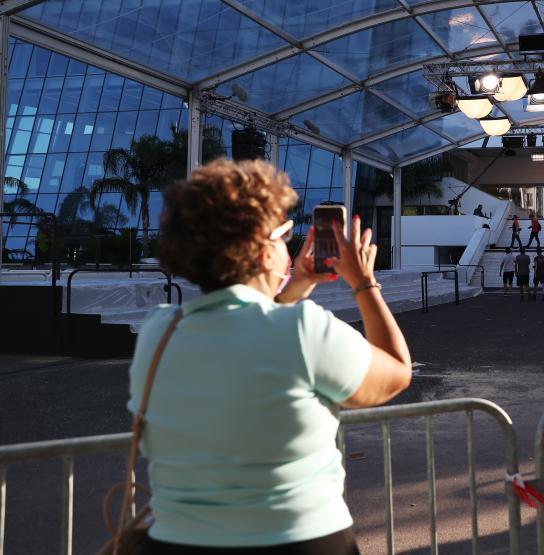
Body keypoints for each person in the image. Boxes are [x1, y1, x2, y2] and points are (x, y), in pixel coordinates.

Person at [129, 159, 411, 553]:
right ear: (264, 254)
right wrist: (364, 282)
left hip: (176, 542)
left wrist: (293, 287)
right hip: (300, 541)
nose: (288, 245)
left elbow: (245, 330)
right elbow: (396, 371)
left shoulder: (159, 331)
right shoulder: (303, 329)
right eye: (283, 235)